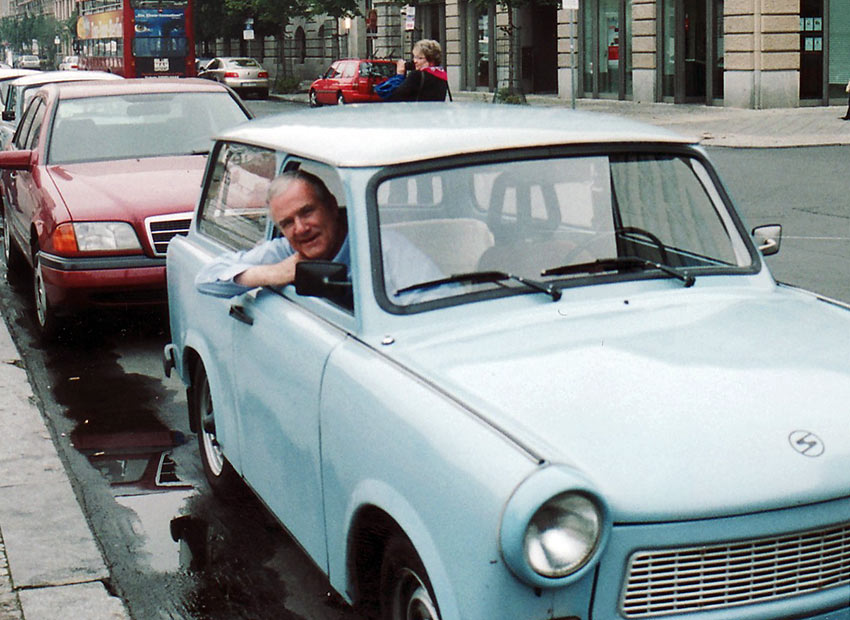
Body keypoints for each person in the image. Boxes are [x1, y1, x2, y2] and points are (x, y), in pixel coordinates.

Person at [195, 169, 444, 303]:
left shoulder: (383, 248)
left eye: (307, 212)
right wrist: (278, 273)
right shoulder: (286, 253)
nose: (301, 228)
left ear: (332, 206)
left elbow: (435, 303)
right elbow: (206, 279)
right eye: (287, 223)